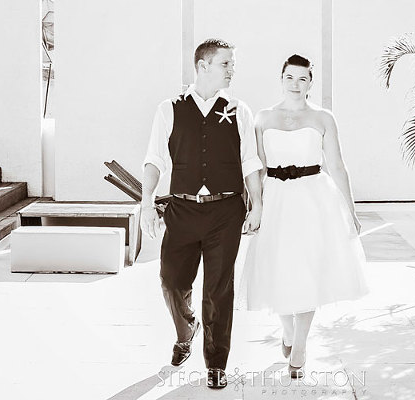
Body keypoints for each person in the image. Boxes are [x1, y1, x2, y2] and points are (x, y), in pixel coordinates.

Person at [141, 38, 263, 389]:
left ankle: (216, 363)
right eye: (226, 63)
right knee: (170, 280)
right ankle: (186, 329)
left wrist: (256, 204)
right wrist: (146, 202)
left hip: (226, 210)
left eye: (232, 64)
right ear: (203, 66)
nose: (232, 70)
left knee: (218, 291)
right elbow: (154, 159)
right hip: (181, 209)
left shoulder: (240, 109)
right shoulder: (170, 108)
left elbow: (250, 161)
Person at [241, 54, 369, 379]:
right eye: (289, 77)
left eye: (302, 78)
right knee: (277, 268)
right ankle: (287, 330)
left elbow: (338, 166)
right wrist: (254, 206)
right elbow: (254, 166)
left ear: (311, 82)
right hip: (276, 200)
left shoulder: (324, 118)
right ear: (280, 79)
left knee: (308, 270)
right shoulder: (263, 117)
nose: (295, 84)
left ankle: (299, 347)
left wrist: (350, 210)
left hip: (314, 199)